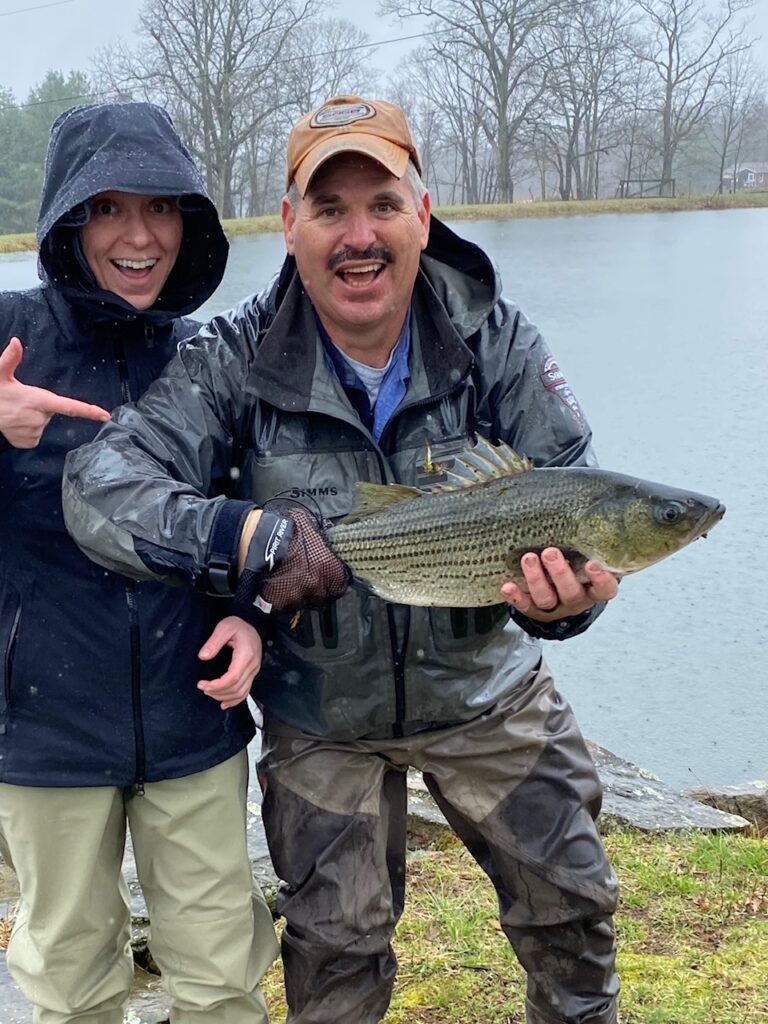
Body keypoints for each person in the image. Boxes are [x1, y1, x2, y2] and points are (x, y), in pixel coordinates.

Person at [63, 95, 622, 1024]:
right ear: (289, 226)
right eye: (329, 210)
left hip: (489, 690)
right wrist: (241, 541)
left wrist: (566, 605)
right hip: (317, 707)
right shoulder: (234, 357)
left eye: (382, 205)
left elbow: (578, 495)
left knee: (573, 909)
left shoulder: (497, 340)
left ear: (423, 213)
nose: (358, 237)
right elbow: (98, 485)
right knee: (334, 950)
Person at [0, 101, 278, 1024]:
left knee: (220, 978)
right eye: (108, 209)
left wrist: (255, 614)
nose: (139, 236)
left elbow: (265, 512)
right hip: (42, 733)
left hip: (193, 717)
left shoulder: (215, 356)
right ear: (67, 223)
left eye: (160, 209)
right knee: (72, 981)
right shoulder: (7, 335)